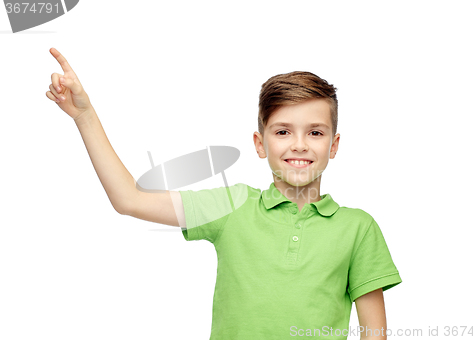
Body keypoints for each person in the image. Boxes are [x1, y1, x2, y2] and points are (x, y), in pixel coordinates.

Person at [46, 47, 402, 340]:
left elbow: (374, 333)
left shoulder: (358, 228)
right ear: (259, 144)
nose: (299, 145)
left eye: (315, 132)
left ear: (334, 145)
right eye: (282, 132)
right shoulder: (233, 206)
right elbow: (129, 199)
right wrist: (84, 116)